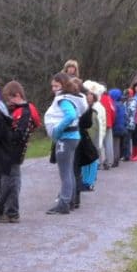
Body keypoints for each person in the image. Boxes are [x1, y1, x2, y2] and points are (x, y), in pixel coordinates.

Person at [0, 81, 40, 223]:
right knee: (0, 182)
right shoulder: (17, 110)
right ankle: (2, 210)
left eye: (9, 98)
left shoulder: (25, 111)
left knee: (10, 183)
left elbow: (19, 135)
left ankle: (11, 212)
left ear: (17, 95)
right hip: (7, 151)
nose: (8, 102)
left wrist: (4, 130)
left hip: (14, 152)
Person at [43, 73, 87, 215]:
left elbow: (70, 116)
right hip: (72, 137)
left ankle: (64, 203)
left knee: (65, 173)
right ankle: (70, 201)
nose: (53, 89)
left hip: (66, 138)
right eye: (52, 86)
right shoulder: (70, 98)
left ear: (64, 85)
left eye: (56, 86)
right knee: (69, 171)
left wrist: (57, 130)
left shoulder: (64, 100)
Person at [80, 81, 107, 191]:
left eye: (91, 94)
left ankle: (89, 182)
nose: (88, 96)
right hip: (86, 137)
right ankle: (84, 180)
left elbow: (101, 125)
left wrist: (99, 141)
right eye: (87, 94)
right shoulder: (86, 106)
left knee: (92, 160)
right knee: (85, 160)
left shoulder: (98, 108)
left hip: (93, 137)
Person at [109, 88, 129, 167]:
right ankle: (117, 158)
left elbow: (114, 117)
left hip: (115, 127)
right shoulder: (121, 104)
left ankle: (115, 160)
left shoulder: (114, 105)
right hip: (122, 127)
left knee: (114, 144)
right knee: (118, 143)